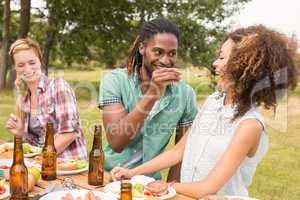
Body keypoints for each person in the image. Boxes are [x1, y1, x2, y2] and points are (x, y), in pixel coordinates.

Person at [109, 25, 298, 198]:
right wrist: (133, 173)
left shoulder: (250, 125)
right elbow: (178, 151)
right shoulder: (213, 102)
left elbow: (206, 188)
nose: (215, 63)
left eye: (223, 57)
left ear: (244, 68)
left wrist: (165, 185)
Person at [99, 18, 198, 180]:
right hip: (108, 176)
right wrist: (152, 95)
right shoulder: (114, 81)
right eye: (158, 52)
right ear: (142, 49)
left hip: (149, 182)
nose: (166, 61)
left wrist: (170, 190)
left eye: (172, 53)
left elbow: (181, 154)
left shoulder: (185, 94)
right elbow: (116, 142)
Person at [6, 38, 87, 160]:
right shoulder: (25, 99)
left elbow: (70, 133)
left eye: (32, 63)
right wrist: (21, 132)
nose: (27, 69)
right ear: (16, 68)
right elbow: (37, 142)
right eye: (21, 65)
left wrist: (41, 157)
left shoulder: (58, 86)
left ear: (40, 61)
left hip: (68, 165)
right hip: (41, 165)